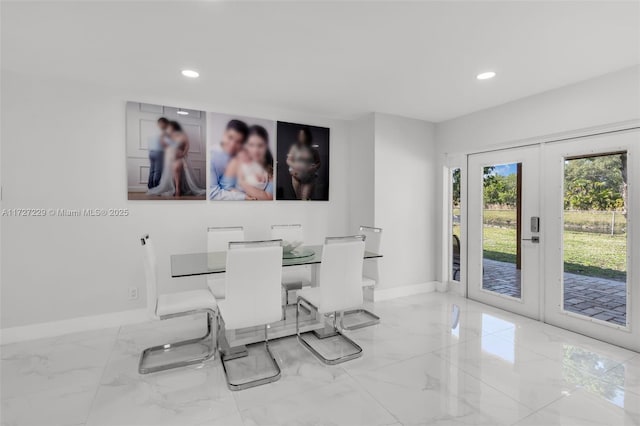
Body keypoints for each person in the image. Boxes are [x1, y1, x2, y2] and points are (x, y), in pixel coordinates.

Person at [147, 121, 205, 197]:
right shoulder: (168, 136)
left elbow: (187, 145)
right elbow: (164, 145)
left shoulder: (182, 135)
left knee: (176, 170)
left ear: (174, 127)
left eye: (169, 127)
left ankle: (178, 189)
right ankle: (176, 188)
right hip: (169, 158)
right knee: (172, 174)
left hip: (179, 158)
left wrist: (183, 153)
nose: (168, 129)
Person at [223, 125, 274, 200]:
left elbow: (268, 197)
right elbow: (226, 188)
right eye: (251, 145)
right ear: (245, 146)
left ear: (266, 146)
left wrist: (242, 182)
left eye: (260, 145)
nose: (255, 150)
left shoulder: (270, 168)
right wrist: (243, 196)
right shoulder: (236, 162)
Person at [209, 119, 250, 200]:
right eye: (230, 137)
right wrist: (244, 197)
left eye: (238, 141)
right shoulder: (211, 156)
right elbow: (212, 194)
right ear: (224, 134)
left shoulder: (243, 155)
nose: (232, 145)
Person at [286, 127, 320, 200]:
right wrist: (292, 169)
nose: (302, 137)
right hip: (296, 176)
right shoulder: (294, 148)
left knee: (305, 199)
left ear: (308, 136)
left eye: (304, 135)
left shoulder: (313, 150)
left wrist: (314, 168)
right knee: (298, 199)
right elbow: (288, 160)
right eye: (301, 135)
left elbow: (318, 162)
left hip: (309, 177)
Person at [147, 117, 169, 188]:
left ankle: (150, 187)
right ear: (163, 123)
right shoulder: (164, 132)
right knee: (158, 171)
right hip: (158, 152)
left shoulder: (152, 131)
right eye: (166, 124)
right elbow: (165, 143)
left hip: (151, 152)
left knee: (152, 170)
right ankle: (156, 187)